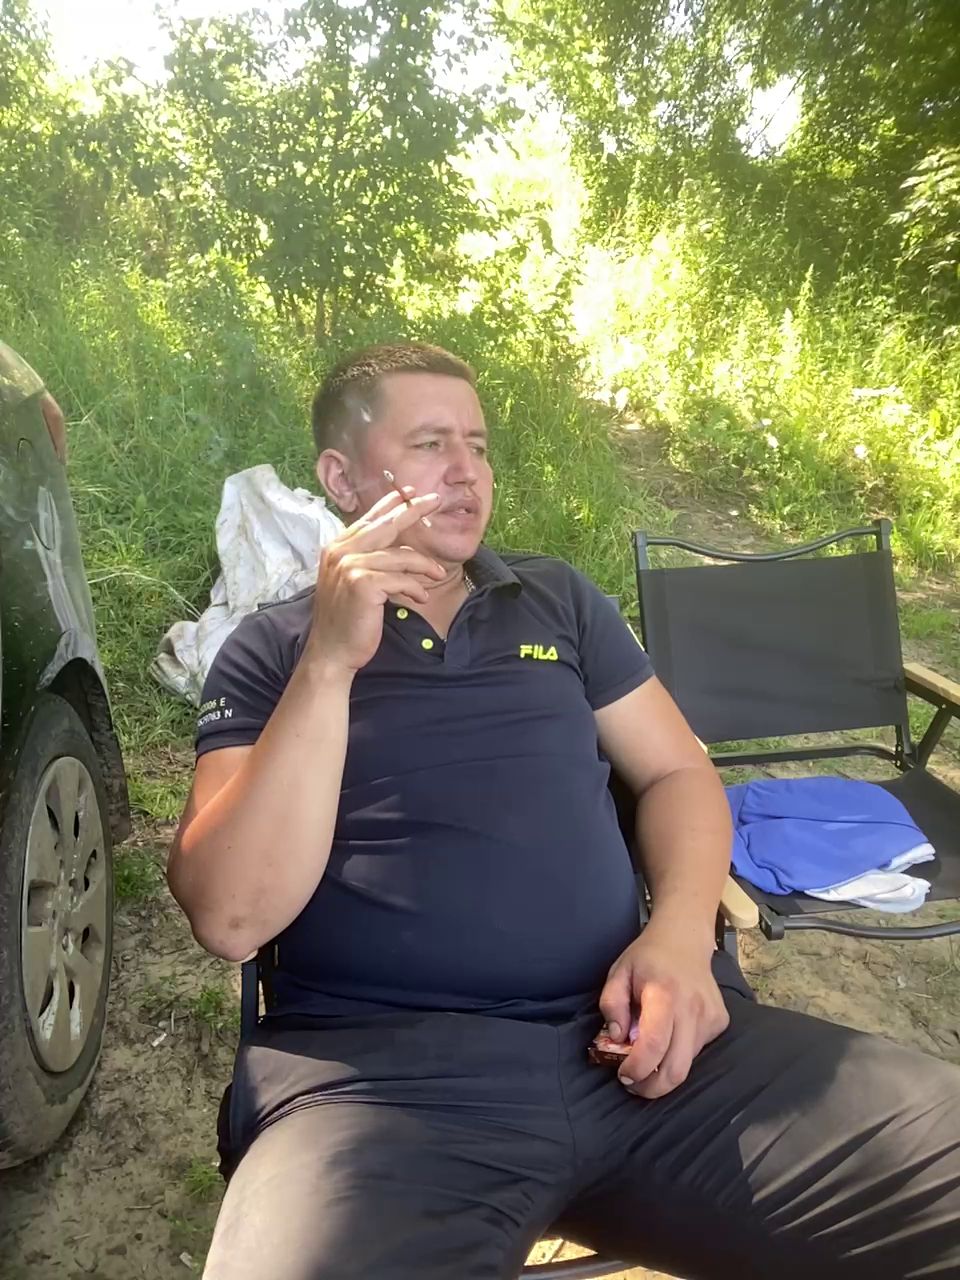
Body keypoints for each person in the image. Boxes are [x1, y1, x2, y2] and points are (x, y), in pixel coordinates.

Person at [168, 342, 960, 1280]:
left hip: (647, 1048)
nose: (467, 471)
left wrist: (678, 941)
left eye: (478, 445)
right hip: (378, 1093)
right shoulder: (271, 650)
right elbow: (230, 917)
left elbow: (678, 774)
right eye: (429, 444)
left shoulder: (556, 602)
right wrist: (330, 662)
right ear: (341, 479)